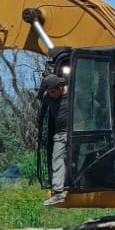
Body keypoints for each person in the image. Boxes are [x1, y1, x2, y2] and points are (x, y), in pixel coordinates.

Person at [40, 74, 70, 205]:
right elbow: (42, 109)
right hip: (61, 133)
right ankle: (58, 193)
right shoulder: (47, 96)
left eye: (53, 92)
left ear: (61, 87)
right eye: (49, 92)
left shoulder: (74, 93)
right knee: (57, 158)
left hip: (77, 133)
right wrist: (39, 120)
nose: (51, 95)